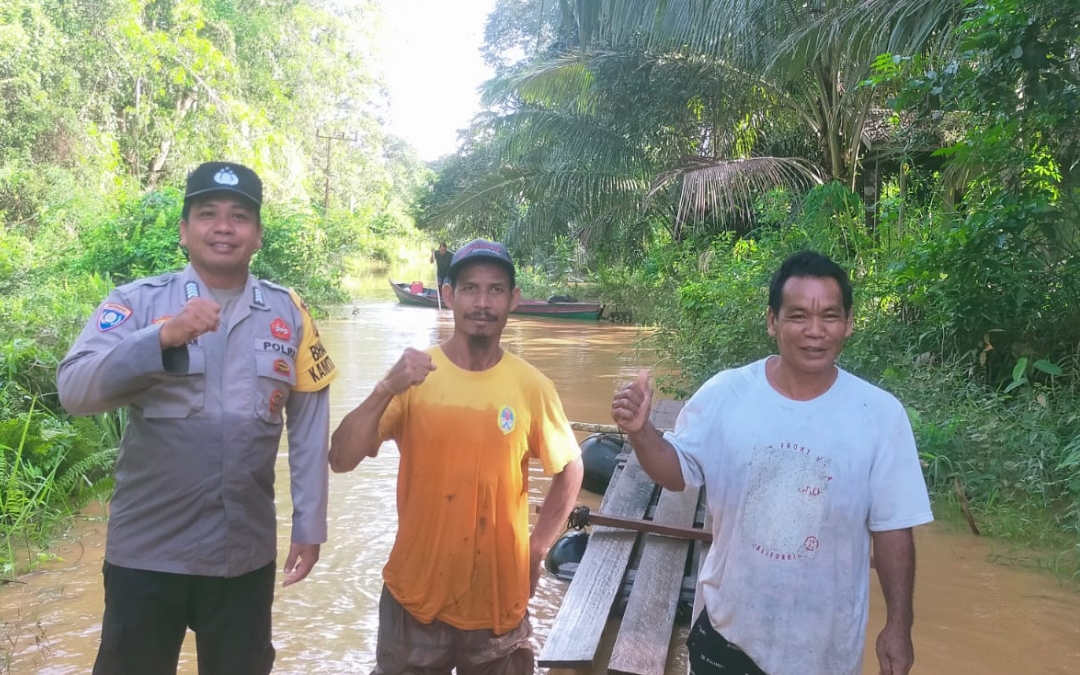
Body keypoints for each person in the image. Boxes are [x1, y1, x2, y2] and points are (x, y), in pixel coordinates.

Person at [57, 161, 338, 675]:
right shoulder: (137, 303)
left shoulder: (289, 312)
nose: (223, 227)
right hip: (146, 553)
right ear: (185, 232)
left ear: (257, 235)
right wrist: (160, 340)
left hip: (243, 556)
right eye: (207, 214)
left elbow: (308, 424)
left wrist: (309, 523)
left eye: (239, 216)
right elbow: (75, 390)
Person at [611, 250, 932, 675]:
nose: (814, 331)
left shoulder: (880, 415)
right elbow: (675, 473)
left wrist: (898, 625)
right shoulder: (727, 395)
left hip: (826, 652)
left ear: (849, 323)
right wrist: (640, 431)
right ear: (772, 321)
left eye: (829, 316)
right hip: (728, 638)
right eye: (798, 315)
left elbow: (893, 532)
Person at [330, 238, 584, 675]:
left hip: (498, 604)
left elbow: (570, 467)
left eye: (495, 290)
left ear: (514, 300)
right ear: (448, 296)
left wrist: (537, 548)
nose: (482, 303)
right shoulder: (414, 377)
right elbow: (340, 457)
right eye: (470, 289)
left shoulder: (532, 386)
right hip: (414, 601)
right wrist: (384, 389)